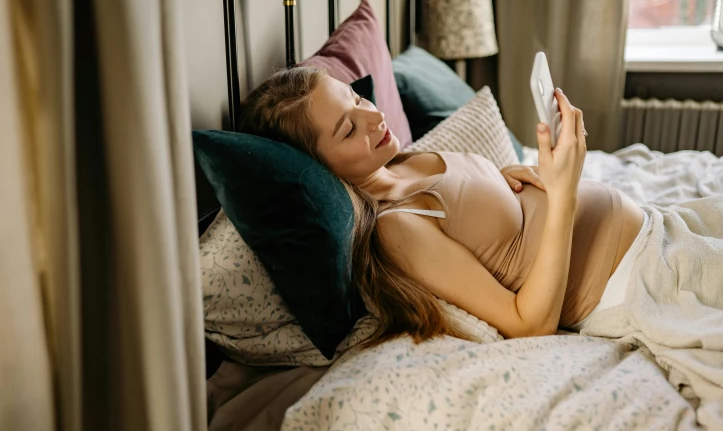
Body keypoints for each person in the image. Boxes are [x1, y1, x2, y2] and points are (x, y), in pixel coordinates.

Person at [238, 66, 648, 344]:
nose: (374, 117)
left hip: (651, 236)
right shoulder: (396, 228)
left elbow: (478, 218)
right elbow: (529, 324)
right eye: (348, 130)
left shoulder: (406, 160)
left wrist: (504, 178)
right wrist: (563, 195)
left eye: (356, 99)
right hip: (631, 286)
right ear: (320, 169)